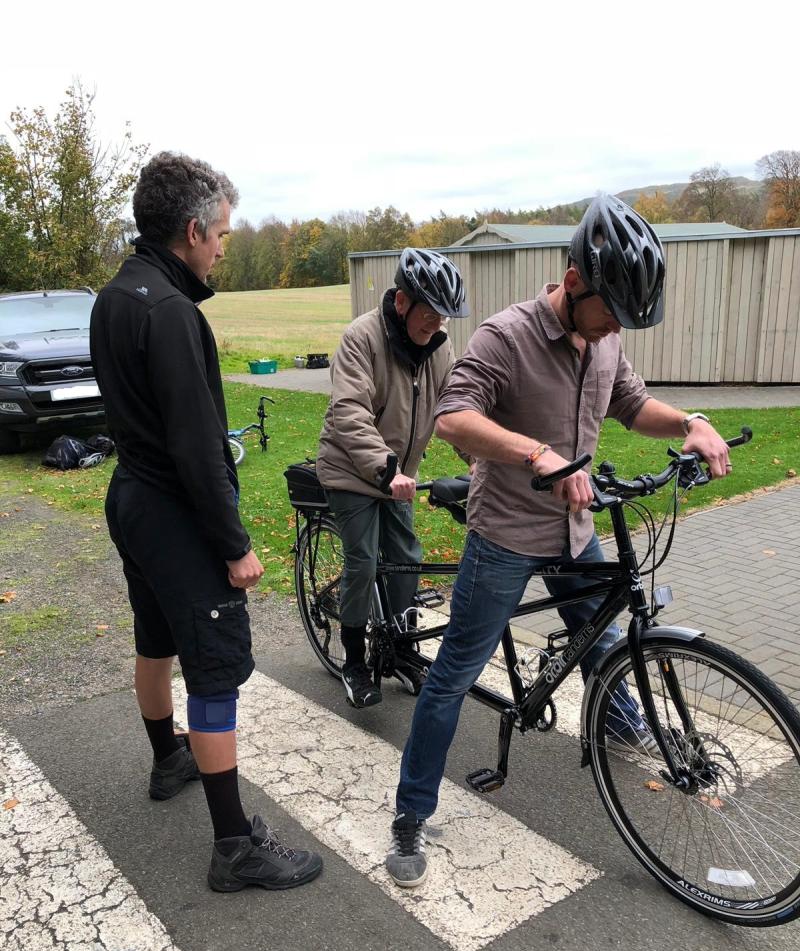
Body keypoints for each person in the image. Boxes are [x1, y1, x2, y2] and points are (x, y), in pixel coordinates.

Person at [385, 194, 733, 887]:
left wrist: (690, 421)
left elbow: (630, 403)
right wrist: (535, 454)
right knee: (453, 676)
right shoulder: (504, 336)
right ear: (573, 282)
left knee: (605, 642)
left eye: (625, 324)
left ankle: (621, 724)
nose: (613, 333)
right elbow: (453, 419)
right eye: (610, 315)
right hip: (506, 536)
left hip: (576, 532)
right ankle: (410, 814)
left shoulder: (605, 339)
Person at [91, 152, 322, 892]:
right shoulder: (171, 312)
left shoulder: (114, 296)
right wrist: (235, 544)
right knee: (215, 667)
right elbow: (196, 447)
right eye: (221, 233)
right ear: (191, 230)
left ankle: (169, 759)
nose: (224, 246)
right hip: (175, 513)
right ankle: (234, 847)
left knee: (155, 638)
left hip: (131, 498)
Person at [316, 248, 470, 707]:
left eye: (443, 317)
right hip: (351, 471)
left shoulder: (438, 350)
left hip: (398, 476)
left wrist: (479, 458)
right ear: (401, 302)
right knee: (362, 561)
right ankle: (354, 661)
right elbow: (349, 411)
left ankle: (401, 648)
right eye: (429, 314)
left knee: (406, 557)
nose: (436, 325)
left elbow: (454, 410)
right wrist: (385, 469)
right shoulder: (361, 338)